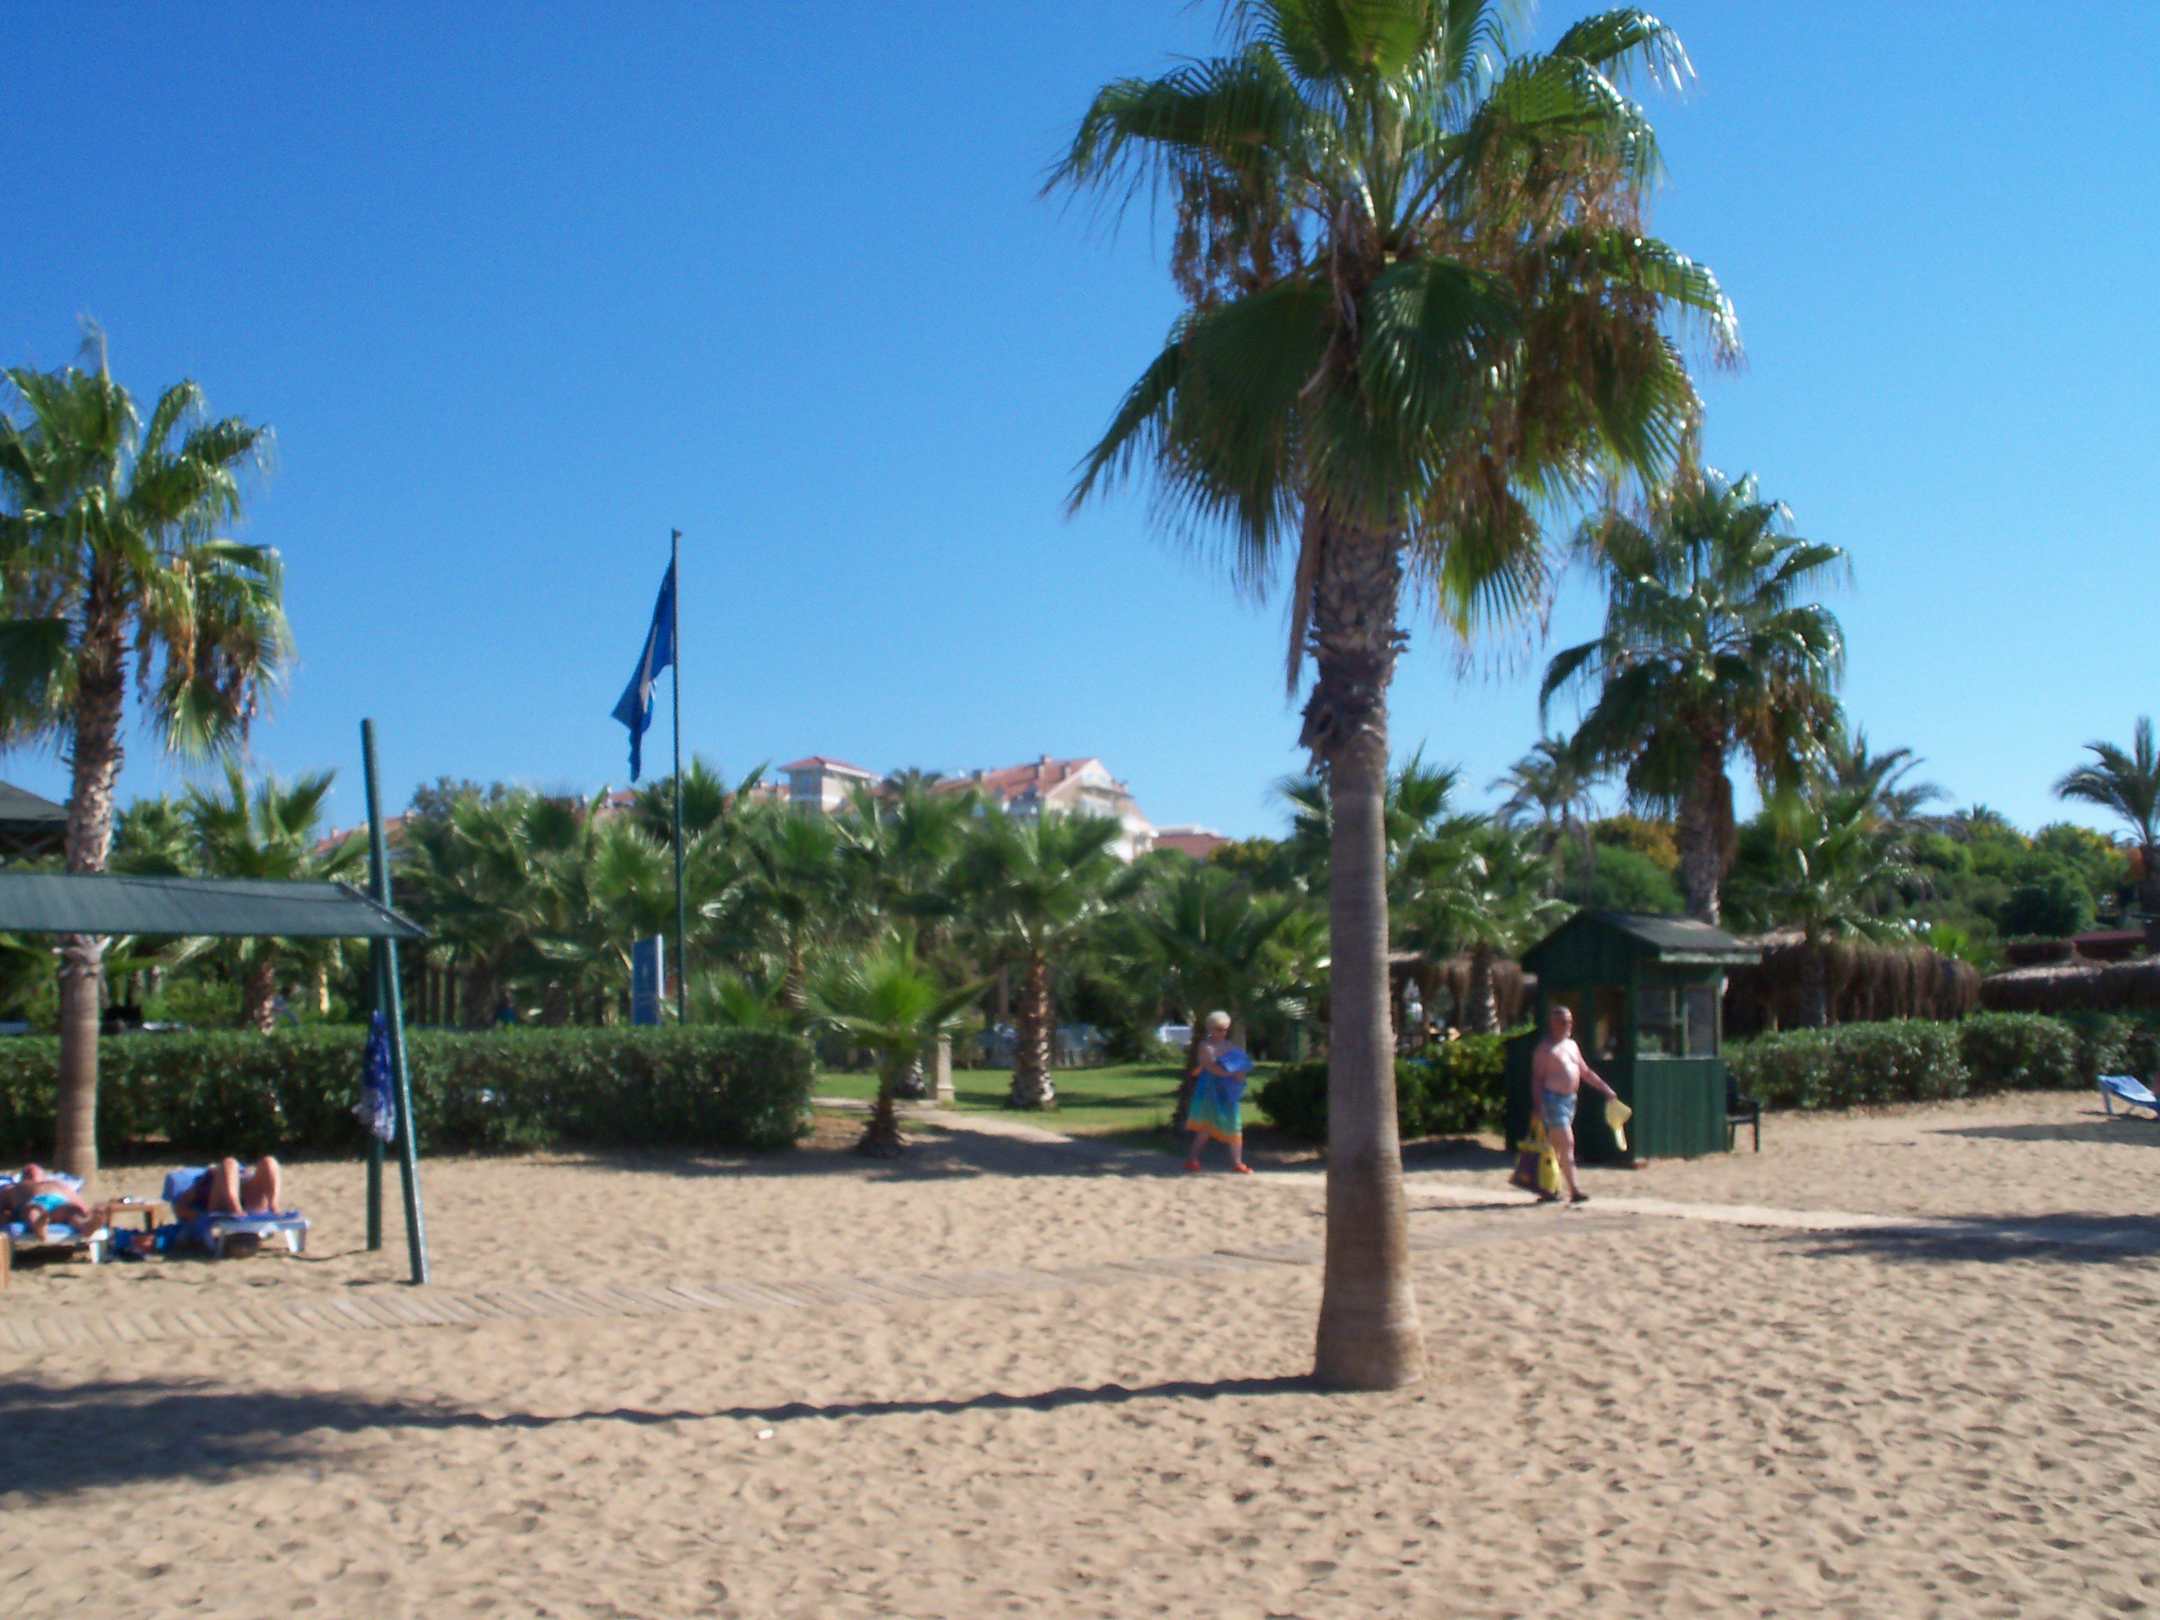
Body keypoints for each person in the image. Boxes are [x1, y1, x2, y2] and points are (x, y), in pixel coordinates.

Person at [1523, 1005, 1618, 1205]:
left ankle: (1549, 1188)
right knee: (1567, 1142)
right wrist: (1538, 1106)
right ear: (1553, 1023)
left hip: (1569, 1100)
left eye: (1570, 1021)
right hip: (1552, 1100)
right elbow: (1537, 1079)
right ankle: (1574, 1190)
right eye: (1564, 1021)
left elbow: (1585, 1072)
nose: (1568, 1025)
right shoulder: (1545, 1049)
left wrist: (1606, 1089)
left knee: (1556, 1147)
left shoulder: (1572, 1045)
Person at [1183, 1011, 1254, 1175]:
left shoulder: (1230, 1046)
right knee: (1206, 1127)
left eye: (1225, 1029)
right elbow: (1211, 1067)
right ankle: (1192, 1159)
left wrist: (1238, 1078)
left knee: (1235, 1125)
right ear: (1210, 1028)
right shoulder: (1205, 1046)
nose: (1223, 1032)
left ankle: (1238, 1163)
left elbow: (1241, 1067)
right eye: (1219, 1029)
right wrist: (1231, 1073)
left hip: (1228, 1091)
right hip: (1209, 1091)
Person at [171, 1156, 285, 1220]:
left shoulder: (241, 1173)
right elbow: (181, 1207)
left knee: (269, 1161)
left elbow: (181, 1206)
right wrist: (198, 1217)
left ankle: (273, 1204)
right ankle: (235, 1207)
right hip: (223, 1207)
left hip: (249, 1200)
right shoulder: (206, 1180)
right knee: (229, 1162)